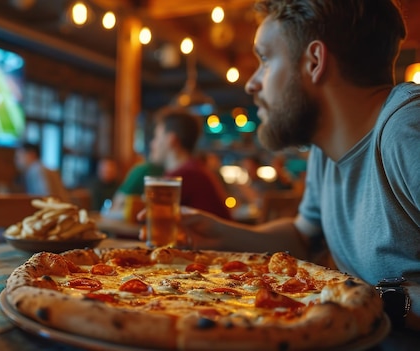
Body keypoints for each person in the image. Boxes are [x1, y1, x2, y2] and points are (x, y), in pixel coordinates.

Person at [153, 0, 419, 331]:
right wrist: (216, 232)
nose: (252, 83)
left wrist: (378, 303)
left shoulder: (407, 131)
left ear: (314, 61)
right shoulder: (326, 148)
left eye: (264, 60)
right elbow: (304, 238)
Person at [148, 107, 231, 219]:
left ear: (171, 139)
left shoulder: (184, 176)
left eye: (156, 137)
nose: (152, 144)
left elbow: (153, 218)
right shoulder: (195, 169)